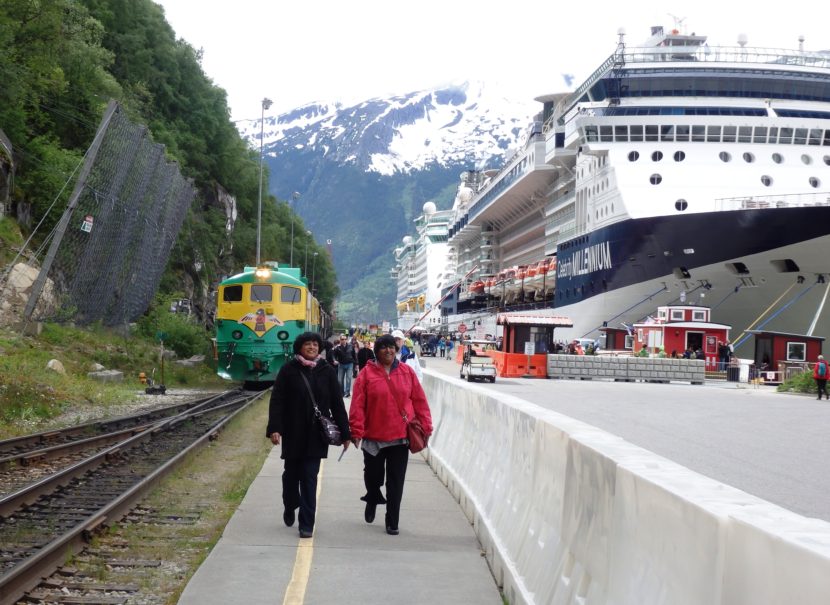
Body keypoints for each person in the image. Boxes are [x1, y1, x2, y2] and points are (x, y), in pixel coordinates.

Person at [266, 332, 353, 538]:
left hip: (316, 434)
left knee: (309, 478)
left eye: (315, 344)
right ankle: (290, 504)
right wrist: (275, 428)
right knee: (290, 476)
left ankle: (306, 523)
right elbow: (277, 400)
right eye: (308, 344)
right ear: (300, 347)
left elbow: (337, 404)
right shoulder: (288, 370)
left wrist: (346, 433)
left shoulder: (327, 370)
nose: (312, 347)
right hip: (293, 431)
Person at [349, 334, 433, 535]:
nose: (389, 350)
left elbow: (420, 401)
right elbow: (357, 405)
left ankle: (392, 519)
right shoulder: (366, 375)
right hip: (373, 437)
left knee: (396, 481)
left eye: (392, 347)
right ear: (377, 351)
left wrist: (426, 427)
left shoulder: (407, 372)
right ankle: (372, 497)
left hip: (400, 436)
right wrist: (356, 430)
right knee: (373, 476)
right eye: (384, 347)